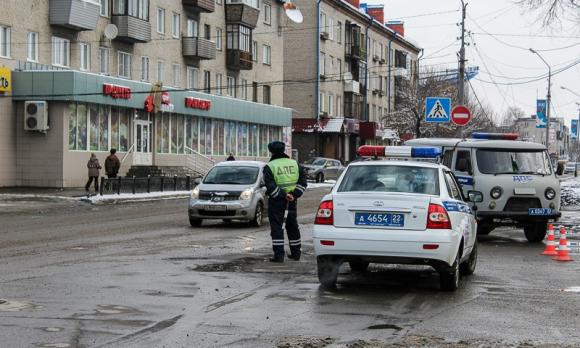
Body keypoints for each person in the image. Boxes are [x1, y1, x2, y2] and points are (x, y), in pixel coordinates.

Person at [263, 141, 307, 262]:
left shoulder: (270, 166)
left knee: (277, 227)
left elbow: (270, 186)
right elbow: (303, 182)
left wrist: (283, 196)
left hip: (277, 202)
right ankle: (296, 253)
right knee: (292, 226)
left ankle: (279, 255)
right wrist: (294, 195)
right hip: (292, 201)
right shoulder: (294, 163)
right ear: (283, 150)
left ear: (271, 151)